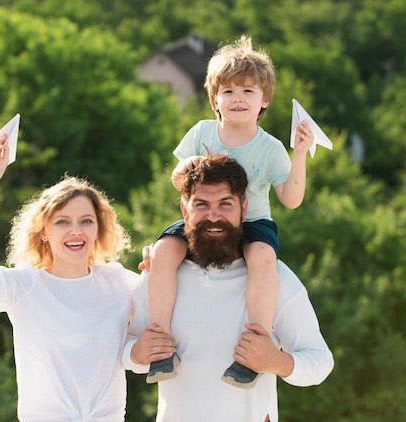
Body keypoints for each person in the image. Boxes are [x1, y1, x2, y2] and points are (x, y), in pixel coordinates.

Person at [0, 133, 138, 421]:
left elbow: (166, 308)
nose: (76, 231)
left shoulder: (117, 282)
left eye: (86, 221)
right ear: (44, 231)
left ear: (98, 228)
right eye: (62, 222)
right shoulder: (25, 285)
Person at [146, 35, 315, 388]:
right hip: (205, 217)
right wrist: (187, 167)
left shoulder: (269, 147)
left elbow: (291, 198)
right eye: (229, 92)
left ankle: (254, 346)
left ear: (264, 100)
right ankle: (161, 342)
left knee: (264, 260)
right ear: (215, 100)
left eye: (248, 92)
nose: (238, 99)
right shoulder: (203, 131)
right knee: (162, 251)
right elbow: (179, 179)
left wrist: (300, 153)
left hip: (252, 224)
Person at [124, 155, 333, 422]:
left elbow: (320, 361)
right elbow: (127, 352)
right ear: (184, 209)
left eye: (225, 204)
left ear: (244, 209)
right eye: (201, 204)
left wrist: (277, 362)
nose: (214, 216)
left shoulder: (275, 277)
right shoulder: (160, 275)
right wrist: (137, 353)